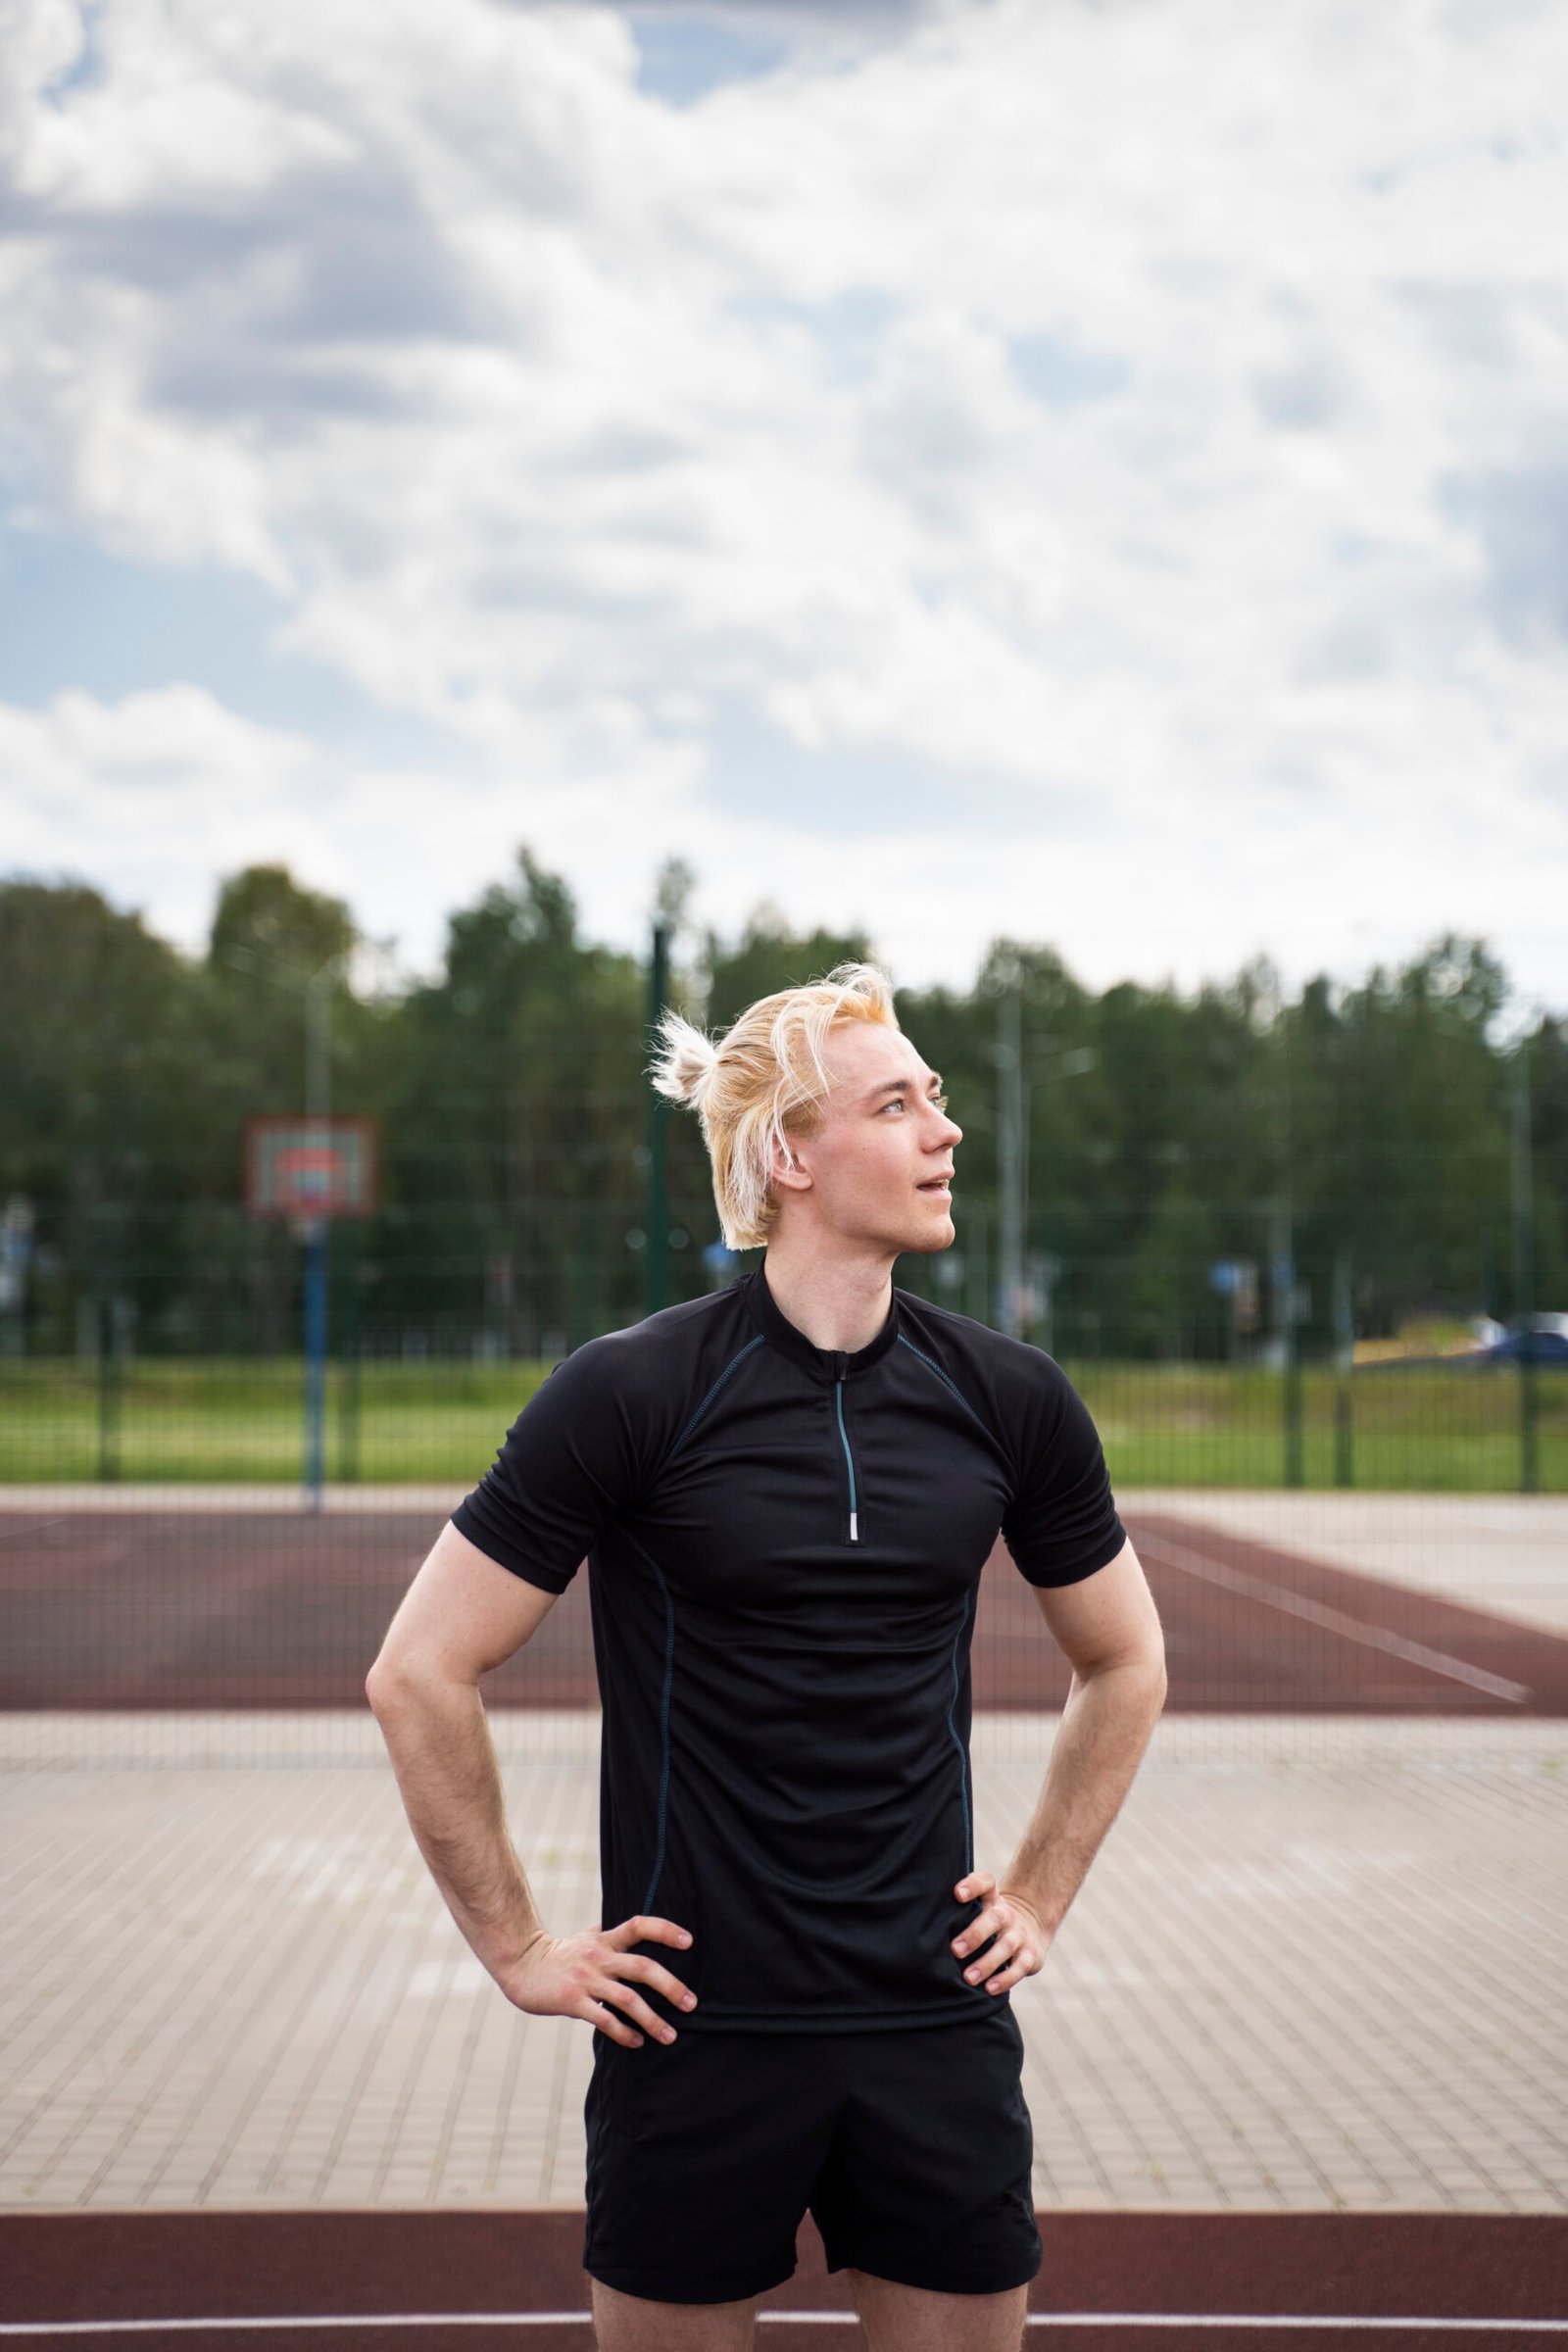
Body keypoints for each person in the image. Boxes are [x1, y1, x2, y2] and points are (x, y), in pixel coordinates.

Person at [368, 962, 1166, 2352]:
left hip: (934, 2018)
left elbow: (1127, 1660)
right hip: (693, 2030)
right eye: (901, 1101)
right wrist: (518, 1950)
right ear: (789, 1153)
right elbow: (419, 1670)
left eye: (940, 1099)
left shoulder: (1008, 1399)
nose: (945, 1130)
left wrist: (1037, 1891)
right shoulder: (636, 1390)